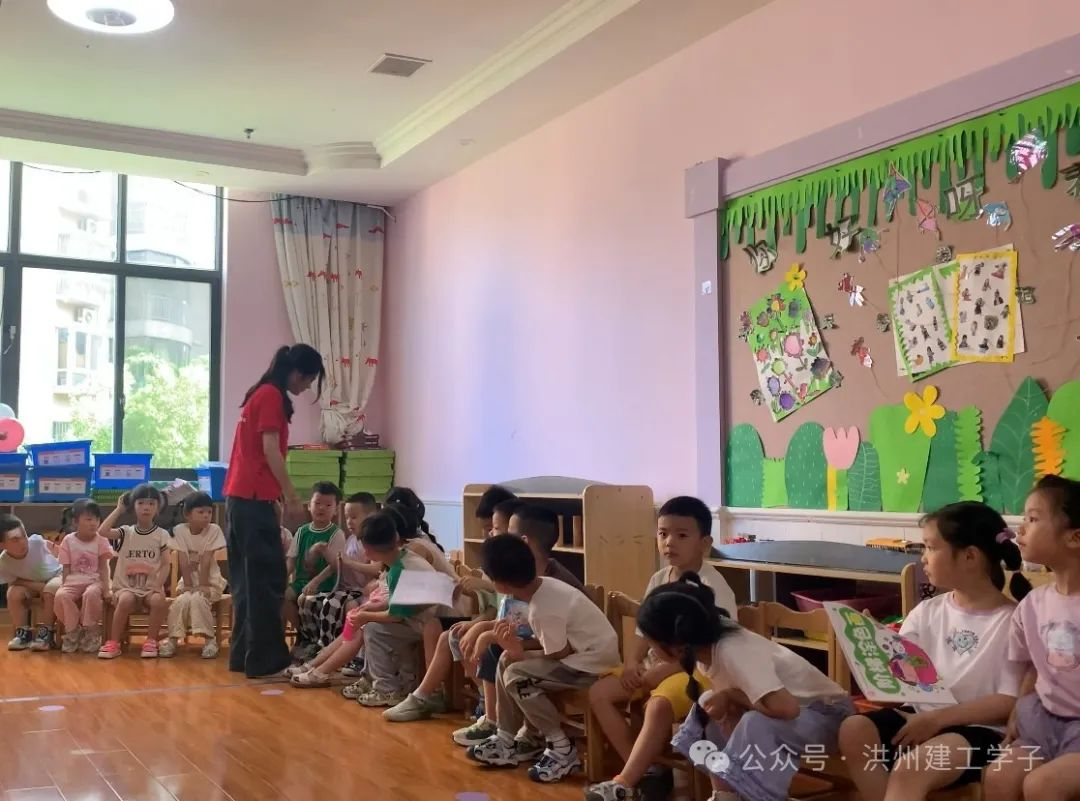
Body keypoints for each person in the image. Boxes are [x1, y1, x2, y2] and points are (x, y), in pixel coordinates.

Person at [838, 501, 1029, 801]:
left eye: (930, 547)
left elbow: (1008, 702)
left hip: (980, 730)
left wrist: (938, 720)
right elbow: (901, 685)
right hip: (920, 717)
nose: (923, 558)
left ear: (969, 556)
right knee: (854, 729)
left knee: (911, 768)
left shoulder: (1013, 620)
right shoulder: (926, 612)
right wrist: (876, 647)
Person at [646, 575, 853, 801]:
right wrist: (729, 701)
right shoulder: (706, 645)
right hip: (794, 717)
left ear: (677, 644)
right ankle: (727, 793)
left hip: (830, 717)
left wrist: (731, 696)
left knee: (754, 722)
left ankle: (754, 795)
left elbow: (787, 708)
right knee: (709, 707)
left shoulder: (731, 650)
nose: (650, 648)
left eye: (651, 642)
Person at [586, 495, 737, 801]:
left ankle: (627, 780)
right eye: (663, 533)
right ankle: (646, 772)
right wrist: (632, 663)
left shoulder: (713, 587)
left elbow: (711, 648)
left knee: (658, 705)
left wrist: (663, 671)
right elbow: (644, 630)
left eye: (681, 535)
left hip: (700, 671)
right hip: (656, 665)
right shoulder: (659, 578)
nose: (669, 542)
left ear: (704, 543)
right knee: (599, 693)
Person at [467, 534, 619, 784]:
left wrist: (518, 650)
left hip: (591, 666)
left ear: (501, 585)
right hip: (577, 655)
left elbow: (558, 653)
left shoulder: (542, 608)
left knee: (517, 675)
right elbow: (550, 642)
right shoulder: (542, 587)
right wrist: (514, 649)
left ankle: (561, 747)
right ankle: (506, 737)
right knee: (506, 660)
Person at [224, 343, 324, 679]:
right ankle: (266, 660)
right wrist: (292, 496)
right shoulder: (270, 396)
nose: (307, 387)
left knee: (247, 584)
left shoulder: (260, 393)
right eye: (308, 380)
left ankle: (243, 656)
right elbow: (270, 449)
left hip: (241, 500)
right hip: (252, 500)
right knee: (267, 582)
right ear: (296, 372)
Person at [984, 475, 1080, 801]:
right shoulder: (1032, 605)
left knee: (1042, 785)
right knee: (998, 776)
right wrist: (1017, 712)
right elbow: (1034, 666)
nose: (1020, 529)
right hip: (1044, 723)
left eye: (1033, 519)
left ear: (1075, 537)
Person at [346, 511, 439, 707]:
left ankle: (386, 689)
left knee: (373, 630)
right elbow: (400, 601)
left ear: (368, 551)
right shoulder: (403, 558)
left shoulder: (400, 570)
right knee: (372, 623)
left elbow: (396, 616)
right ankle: (375, 679)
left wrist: (366, 616)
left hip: (427, 623)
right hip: (421, 618)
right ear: (396, 537)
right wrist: (372, 608)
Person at [97, 484, 172, 659]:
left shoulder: (162, 534)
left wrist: (157, 586)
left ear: (158, 508)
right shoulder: (126, 532)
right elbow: (102, 531)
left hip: (150, 589)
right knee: (126, 599)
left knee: (158, 601)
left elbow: (166, 564)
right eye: (141, 503)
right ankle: (114, 643)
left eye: (151, 503)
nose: (146, 507)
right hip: (126, 588)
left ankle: (151, 641)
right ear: (133, 506)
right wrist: (118, 510)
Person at [161, 493, 228, 659]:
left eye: (209, 512)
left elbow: (206, 560)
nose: (206, 516)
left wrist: (203, 585)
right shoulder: (179, 531)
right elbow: (183, 561)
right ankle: (172, 640)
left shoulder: (214, 530)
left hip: (211, 582)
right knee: (182, 600)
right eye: (201, 512)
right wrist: (189, 585)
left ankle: (210, 640)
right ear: (188, 514)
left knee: (198, 598)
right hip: (188, 581)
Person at [289, 481, 346, 657]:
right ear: (309, 505)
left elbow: (335, 566)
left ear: (336, 509)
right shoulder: (301, 532)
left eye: (328, 505)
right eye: (317, 503)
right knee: (281, 597)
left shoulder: (337, 533)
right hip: (301, 582)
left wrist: (316, 581)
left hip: (326, 585)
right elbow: (291, 561)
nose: (322, 508)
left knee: (306, 598)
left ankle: (312, 640)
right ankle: (303, 635)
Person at [53, 499, 113, 654]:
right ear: (75, 522)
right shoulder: (68, 540)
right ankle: (72, 630)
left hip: (95, 580)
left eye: (96, 519)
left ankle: (91, 631)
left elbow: (104, 567)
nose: (93, 523)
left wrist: (107, 589)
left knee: (90, 594)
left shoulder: (101, 540)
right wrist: (64, 585)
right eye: (88, 519)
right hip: (73, 581)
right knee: (61, 595)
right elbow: (66, 567)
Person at [0, 515, 63, 652]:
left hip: (56, 575)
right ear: (2, 545)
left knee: (50, 590)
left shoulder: (36, 542)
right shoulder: (3, 561)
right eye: (15, 540)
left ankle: (46, 634)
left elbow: (59, 551)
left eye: (24, 536)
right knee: (13, 593)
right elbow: (14, 581)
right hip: (32, 583)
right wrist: (37, 586)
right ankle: (23, 634)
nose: (22, 542)